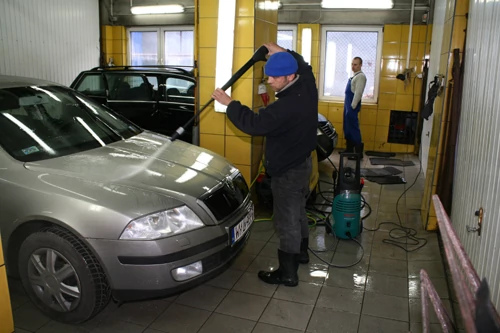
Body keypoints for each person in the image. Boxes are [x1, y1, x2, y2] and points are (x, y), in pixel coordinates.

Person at [211, 42, 318, 287]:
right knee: (298, 211)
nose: (269, 80)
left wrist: (230, 104)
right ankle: (301, 253)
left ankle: (288, 273)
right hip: (302, 164)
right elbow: (306, 66)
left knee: (286, 220)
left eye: (274, 77)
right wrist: (283, 51)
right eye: (268, 75)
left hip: (288, 171)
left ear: (289, 76)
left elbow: (254, 124)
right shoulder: (307, 85)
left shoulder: (285, 107)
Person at [343, 57, 367, 158]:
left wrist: (352, 108)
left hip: (352, 107)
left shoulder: (360, 77)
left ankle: (357, 153)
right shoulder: (354, 76)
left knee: (353, 129)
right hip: (348, 107)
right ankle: (349, 150)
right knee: (347, 128)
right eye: (352, 64)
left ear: (361, 65)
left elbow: (358, 94)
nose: (353, 66)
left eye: (356, 64)